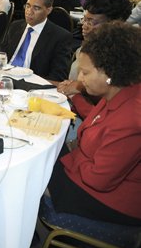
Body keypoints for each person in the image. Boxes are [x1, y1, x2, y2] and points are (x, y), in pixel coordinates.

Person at [45, 22, 141, 227]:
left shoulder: (132, 120)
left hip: (109, 200)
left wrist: (76, 156)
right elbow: (98, 122)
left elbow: (98, 179)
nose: (80, 78)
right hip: (90, 173)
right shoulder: (119, 92)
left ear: (110, 73)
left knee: (30, 178)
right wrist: (77, 95)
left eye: (85, 73)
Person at [57, 0, 132, 118]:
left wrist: (77, 92)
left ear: (113, 24)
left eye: (91, 22)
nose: (84, 26)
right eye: (85, 19)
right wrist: (70, 85)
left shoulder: (120, 63)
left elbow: (103, 117)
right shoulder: (86, 47)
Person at [0, 0, 72, 82]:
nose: (29, 11)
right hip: (4, 77)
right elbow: (1, 54)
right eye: (28, 6)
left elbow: (58, 77)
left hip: (31, 85)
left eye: (36, 8)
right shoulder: (15, 26)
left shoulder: (60, 37)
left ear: (49, 10)